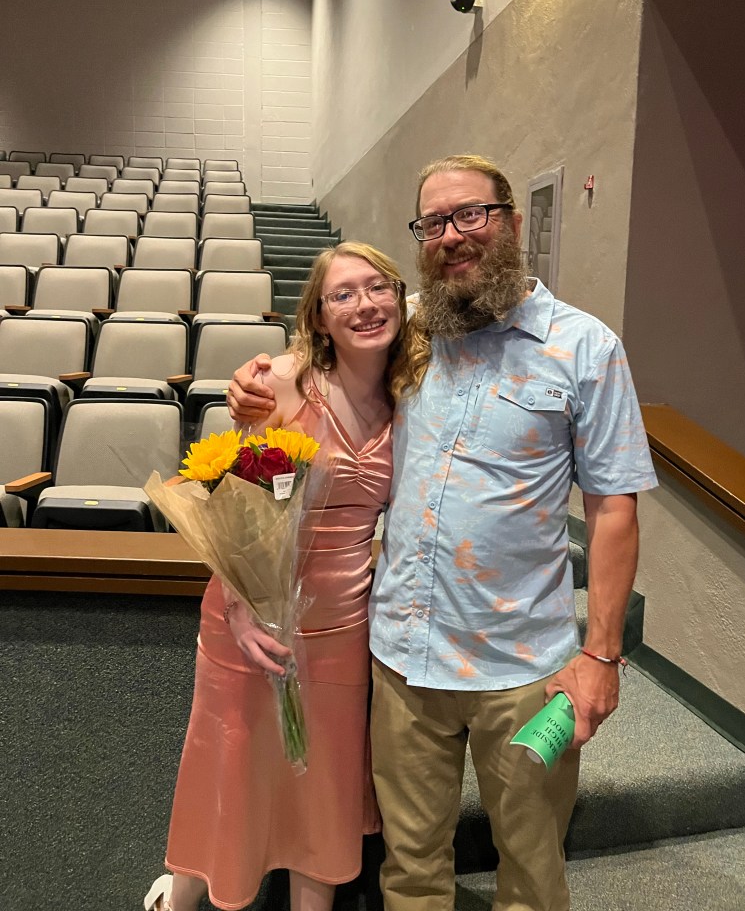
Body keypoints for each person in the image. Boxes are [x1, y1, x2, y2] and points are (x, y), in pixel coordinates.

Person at [227, 155, 658, 911]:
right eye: (434, 223)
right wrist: (257, 385)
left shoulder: (585, 347)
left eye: (471, 214)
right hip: (405, 657)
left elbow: (613, 508)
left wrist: (601, 654)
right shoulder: (409, 328)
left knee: (532, 868)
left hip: (522, 667)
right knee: (410, 869)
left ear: (512, 222)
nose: (453, 235)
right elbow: (322, 354)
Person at [145, 241, 411, 911]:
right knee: (230, 768)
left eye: (377, 287)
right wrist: (242, 609)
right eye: (342, 294)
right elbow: (233, 504)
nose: (364, 304)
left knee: (321, 790)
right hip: (249, 616)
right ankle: (181, 897)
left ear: (399, 298)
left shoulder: (412, 394)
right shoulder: (281, 383)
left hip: (343, 627)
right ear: (319, 316)